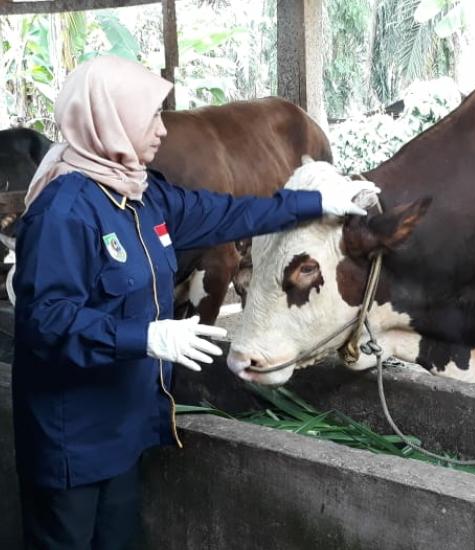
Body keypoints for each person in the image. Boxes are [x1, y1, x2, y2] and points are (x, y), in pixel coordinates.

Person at [11, 55, 378, 550]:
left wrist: (316, 203)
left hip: (124, 431)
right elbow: (45, 323)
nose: (163, 130)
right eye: (151, 117)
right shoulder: (64, 211)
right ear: (111, 121)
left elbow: (229, 213)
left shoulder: (144, 196)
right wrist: (146, 335)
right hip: (71, 440)